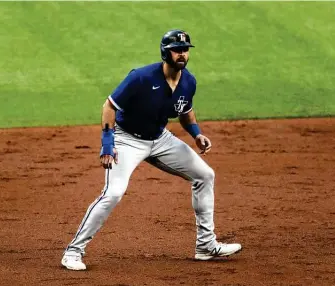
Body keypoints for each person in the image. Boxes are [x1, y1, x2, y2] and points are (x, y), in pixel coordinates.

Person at [61, 29, 242, 271]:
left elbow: (185, 110)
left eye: (185, 50)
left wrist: (196, 134)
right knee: (113, 193)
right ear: (165, 52)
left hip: (160, 139)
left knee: (205, 175)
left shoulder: (189, 81)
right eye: (177, 50)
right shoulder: (141, 78)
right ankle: (73, 252)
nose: (182, 54)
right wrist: (108, 144)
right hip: (127, 140)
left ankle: (205, 246)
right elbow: (109, 106)